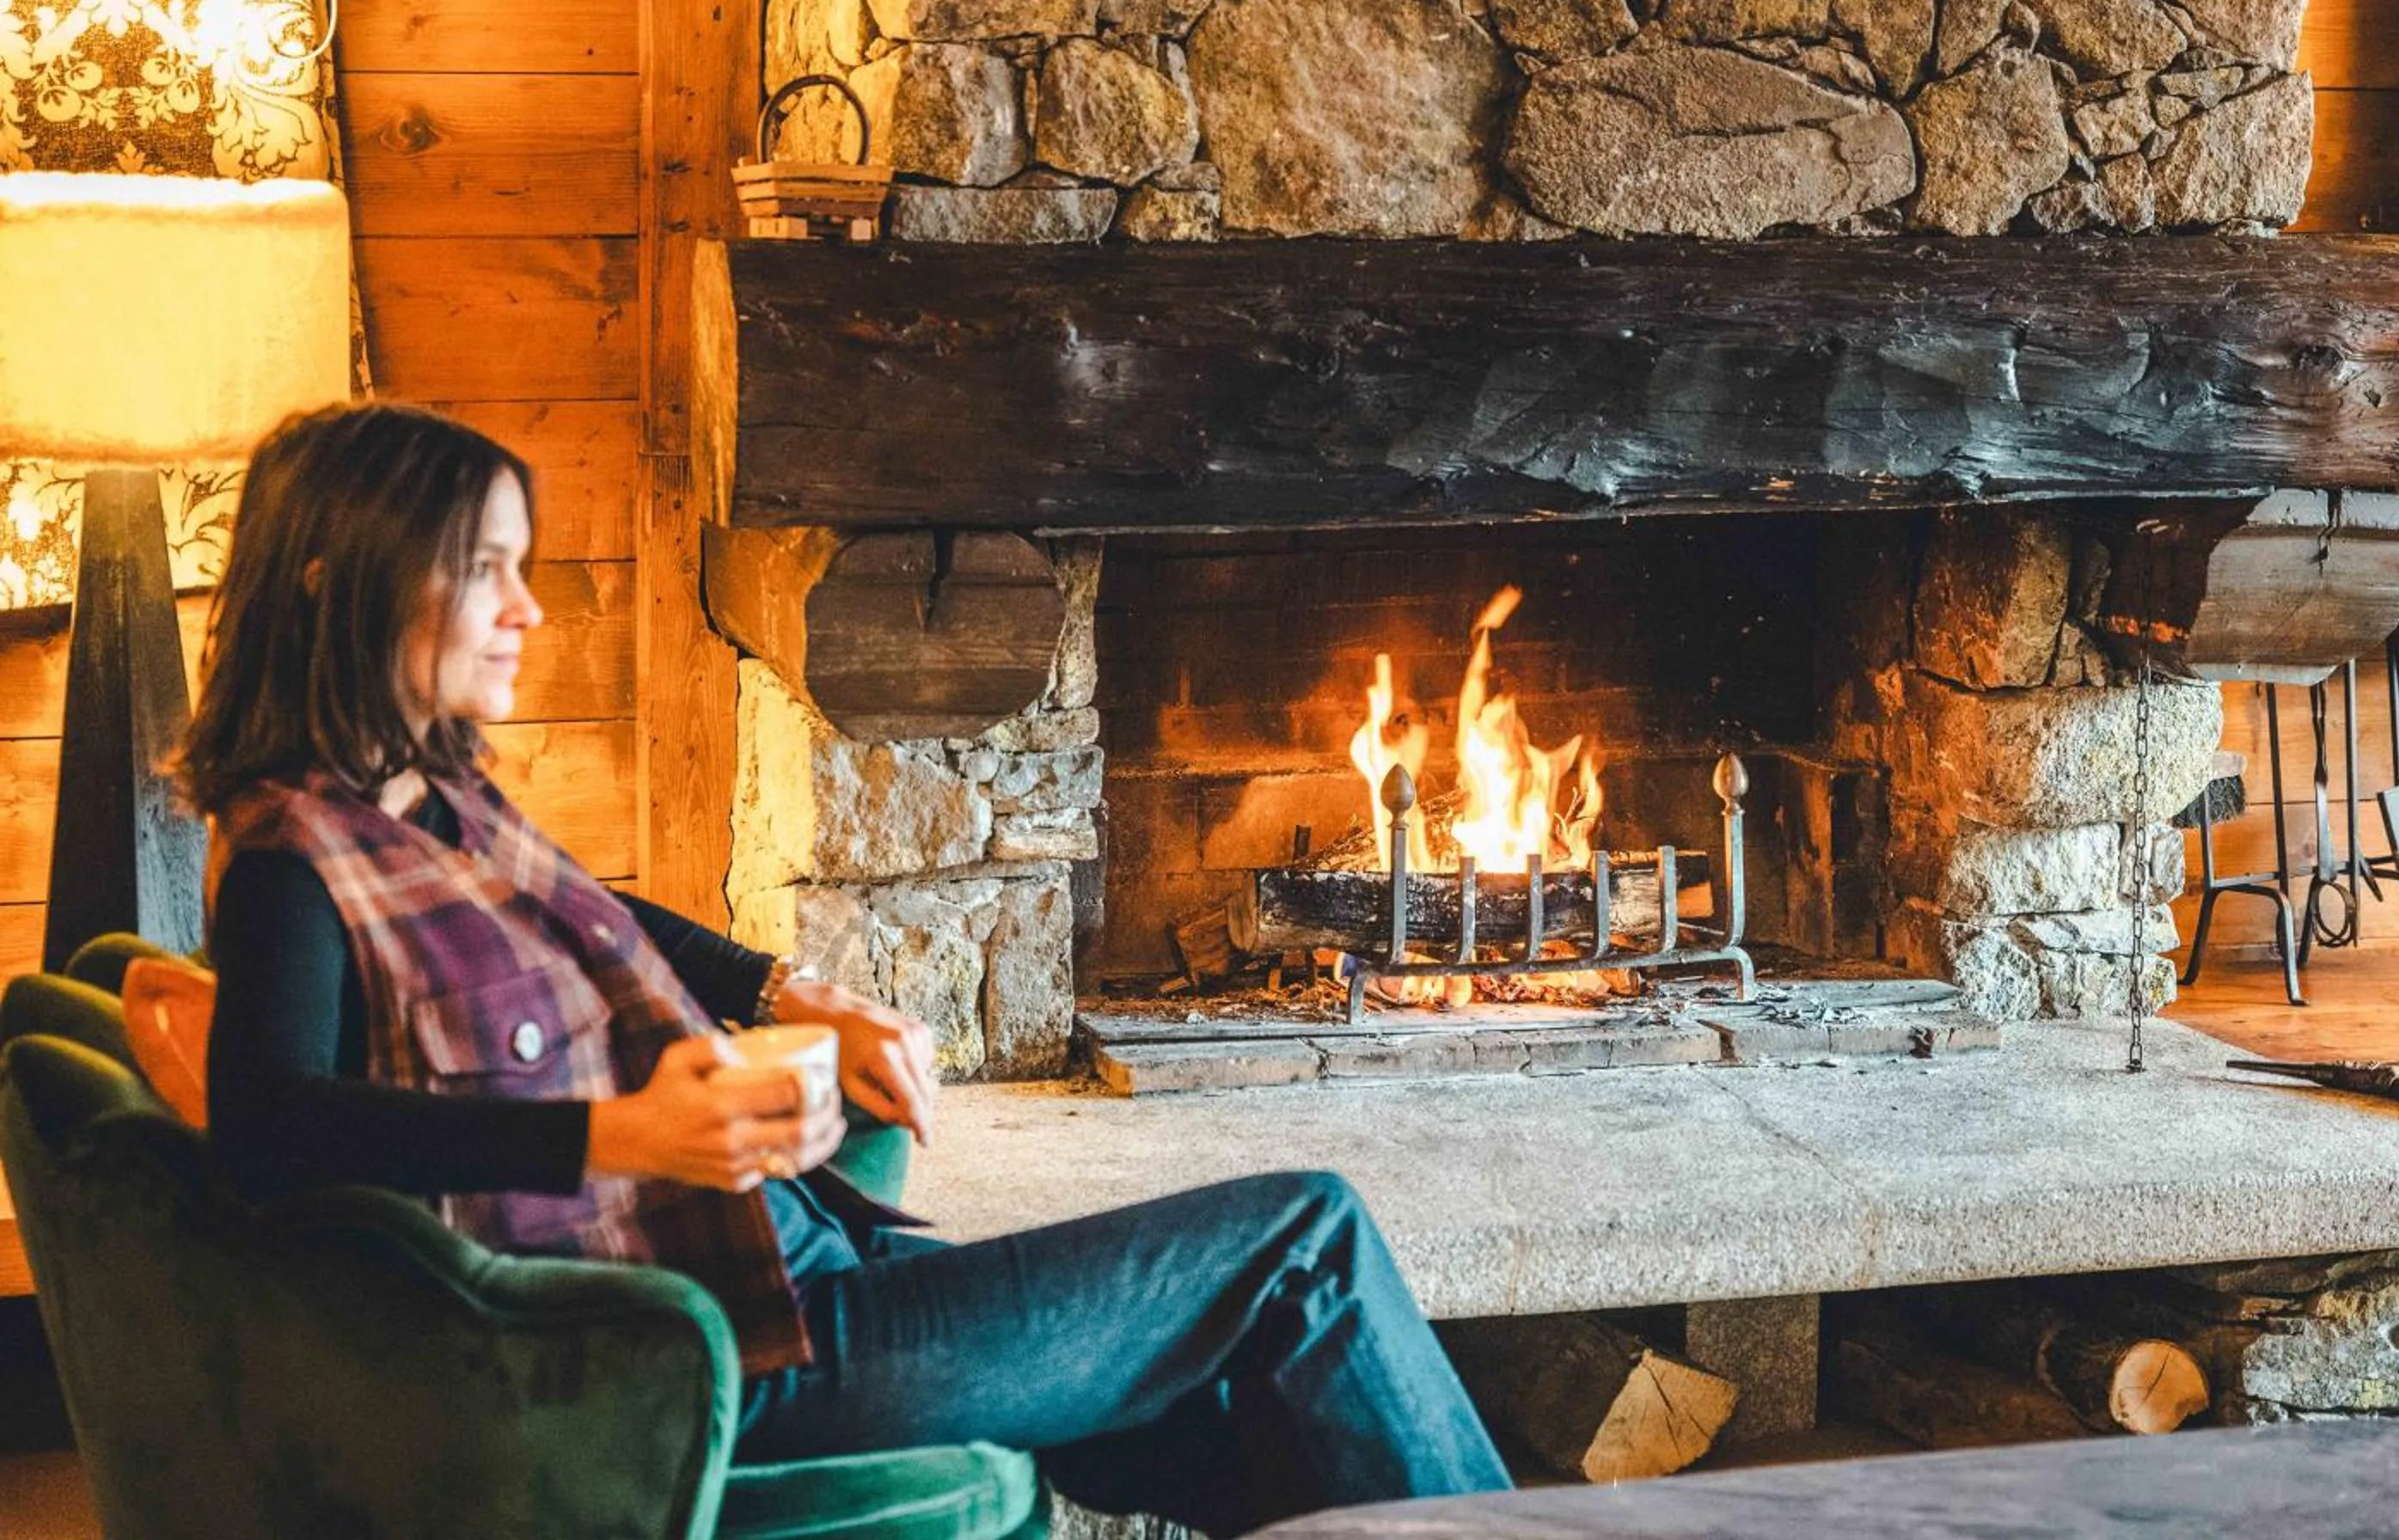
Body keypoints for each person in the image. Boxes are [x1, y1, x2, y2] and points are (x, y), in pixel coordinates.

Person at [178, 402, 1509, 1537]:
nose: (529, 609)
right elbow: (267, 1129)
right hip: (737, 1363)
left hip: (808, 1275)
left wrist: (786, 990)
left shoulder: (432, 794)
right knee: (1307, 1243)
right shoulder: (298, 859)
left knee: (1267, 1411)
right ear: (339, 576)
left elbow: (603, 910)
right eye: (485, 571)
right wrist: (621, 1134)